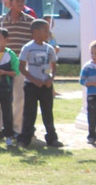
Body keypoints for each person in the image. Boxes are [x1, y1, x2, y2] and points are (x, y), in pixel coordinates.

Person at [0, 0, 34, 136]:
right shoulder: (1, 21)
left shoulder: (30, 22)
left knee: (19, 98)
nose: (21, 4)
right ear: (10, 2)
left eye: (23, 1)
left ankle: (17, 128)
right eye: (18, 1)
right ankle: (0, 128)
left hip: (21, 65)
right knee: (1, 97)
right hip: (3, 63)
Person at [16, 19, 62, 149]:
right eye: (45, 30)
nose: (48, 33)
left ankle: (52, 138)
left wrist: (51, 79)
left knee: (48, 112)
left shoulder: (49, 48)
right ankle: (25, 139)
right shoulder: (28, 48)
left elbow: (54, 66)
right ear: (35, 32)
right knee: (29, 113)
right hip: (31, 86)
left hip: (46, 86)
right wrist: (34, 80)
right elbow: (22, 67)